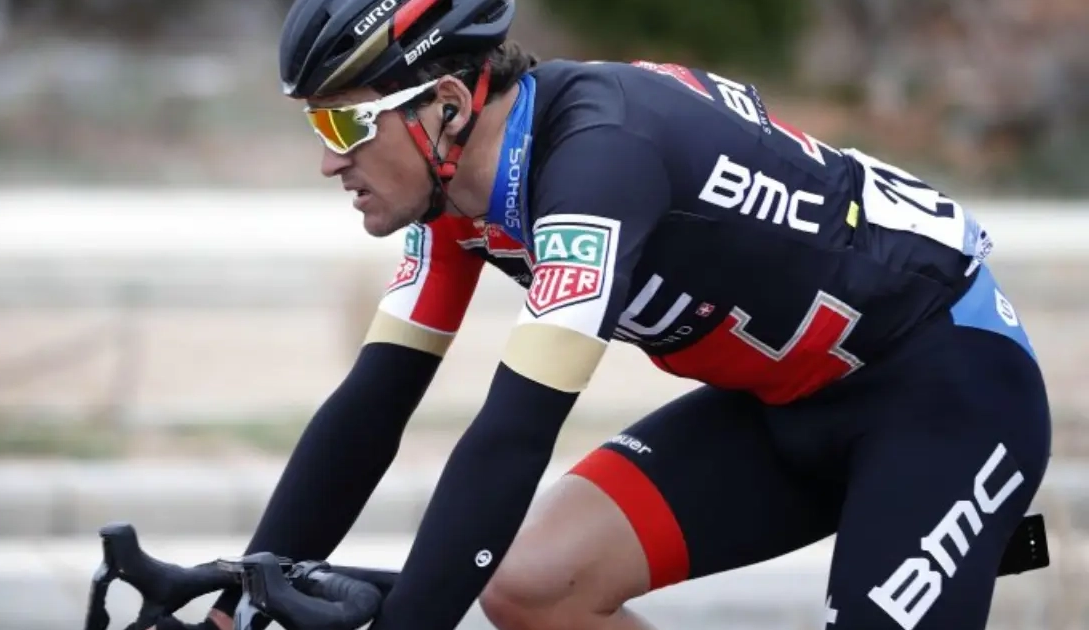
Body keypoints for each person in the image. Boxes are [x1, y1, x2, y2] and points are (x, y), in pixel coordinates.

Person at [147, 0, 1053, 628]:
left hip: (944, 387)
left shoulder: (600, 159)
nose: (328, 161)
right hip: (784, 406)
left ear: (447, 106)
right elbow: (372, 406)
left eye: (345, 126)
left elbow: (513, 434)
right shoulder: (455, 197)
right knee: (534, 587)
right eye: (316, 127)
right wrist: (240, 603)